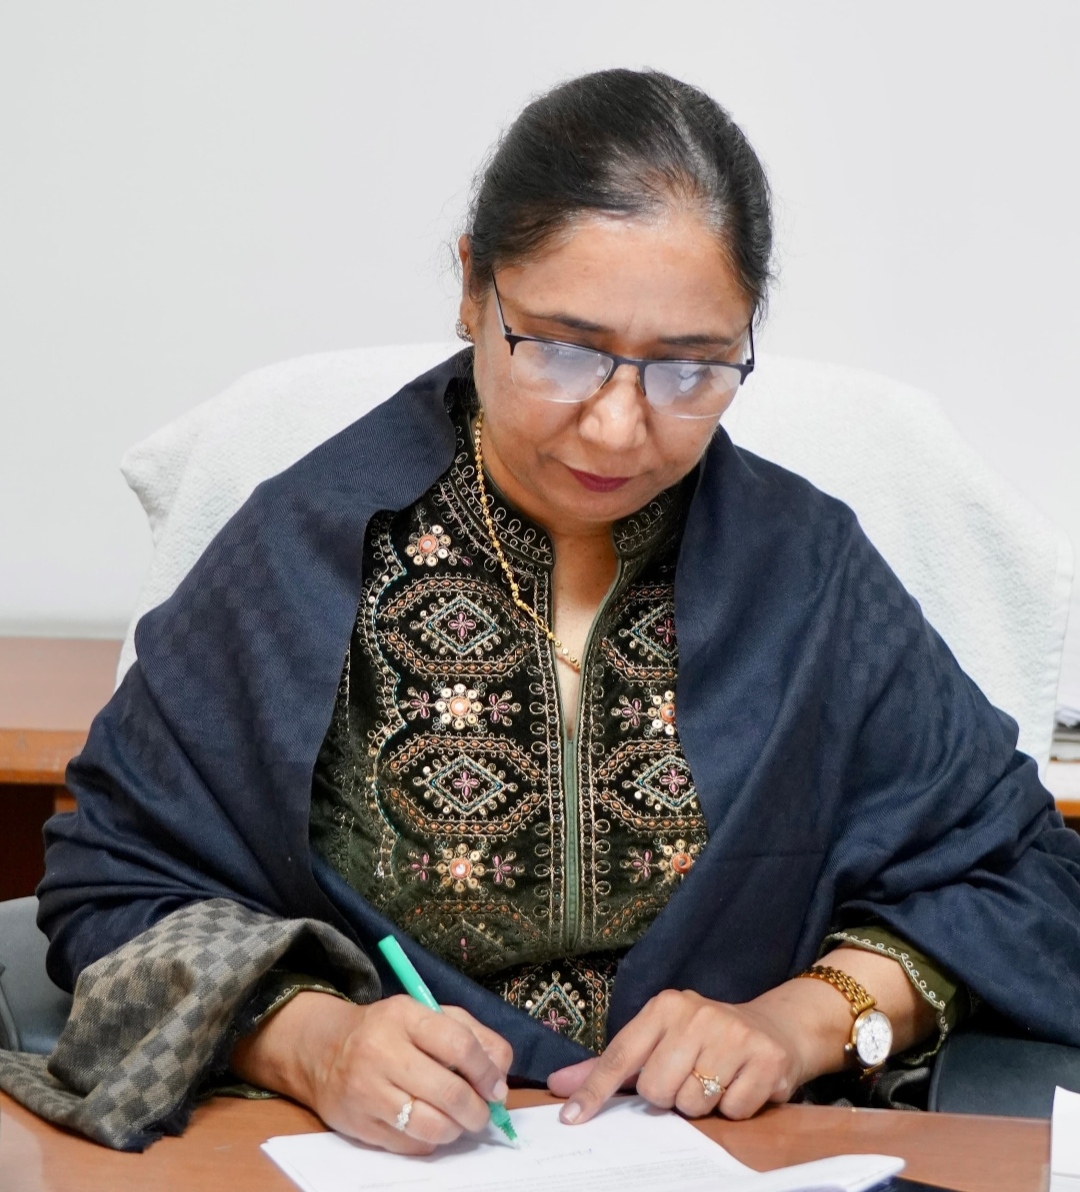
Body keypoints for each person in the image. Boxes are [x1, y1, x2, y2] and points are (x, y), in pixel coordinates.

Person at [2, 68, 1078, 1155]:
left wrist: (801, 1022)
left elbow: (1018, 874)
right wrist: (314, 1041)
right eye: (562, 350)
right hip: (377, 1157)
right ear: (475, 290)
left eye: (690, 369)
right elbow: (113, 882)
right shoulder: (301, 554)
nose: (617, 428)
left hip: (733, 1155)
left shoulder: (807, 571)